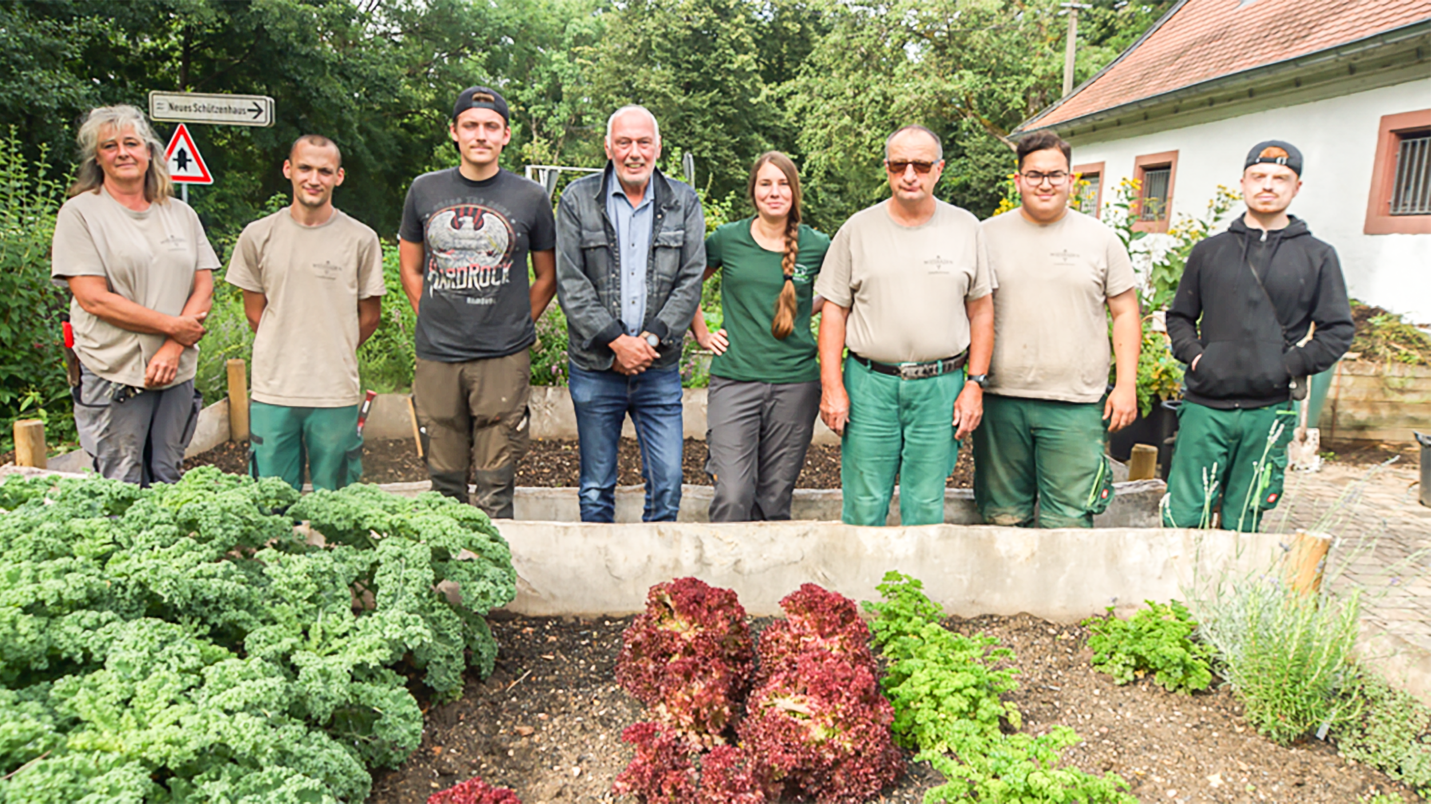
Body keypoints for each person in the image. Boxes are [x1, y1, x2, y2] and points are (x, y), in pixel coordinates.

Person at [1162, 140, 1353, 531]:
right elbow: (1180, 317)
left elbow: (1338, 330)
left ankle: (1225, 592)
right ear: (1243, 183)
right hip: (1204, 408)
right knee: (1184, 516)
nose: (1268, 185)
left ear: (1296, 187)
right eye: (1259, 176)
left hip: (1267, 411)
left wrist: (1288, 365)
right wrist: (1197, 356)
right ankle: (1174, 594)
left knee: (1245, 518)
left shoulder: (1317, 256)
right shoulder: (1209, 252)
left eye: (1281, 178)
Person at [815, 125, 994, 526]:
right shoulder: (856, 230)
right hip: (869, 385)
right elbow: (833, 312)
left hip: (940, 386)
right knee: (864, 502)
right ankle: (860, 587)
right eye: (899, 165)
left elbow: (981, 310)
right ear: (887, 169)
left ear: (939, 169)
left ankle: (917, 588)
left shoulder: (966, 228)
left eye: (921, 165)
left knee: (926, 503)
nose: (909, 174)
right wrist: (832, 386)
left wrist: (975, 384)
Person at [399, 86, 557, 519]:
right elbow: (410, 268)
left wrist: (516, 321)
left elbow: (548, 275)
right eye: (471, 125)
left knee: (497, 476)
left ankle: (497, 563)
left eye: (491, 127)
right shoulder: (424, 191)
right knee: (443, 473)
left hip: (503, 355)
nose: (481, 135)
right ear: (454, 132)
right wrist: (431, 315)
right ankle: (446, 568)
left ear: (506, 135)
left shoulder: (530, 197)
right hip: (438, 353)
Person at [974, 130, 1140, 528]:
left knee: (1068, 521)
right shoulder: (985, 236)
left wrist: (1126, 384)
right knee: (1002, 517)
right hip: (1000, 399)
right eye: (1034, 175)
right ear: (1018, 180)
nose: (1045, 183)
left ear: (1071, 179)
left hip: (1076, 403)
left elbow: (1126, 313)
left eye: (1055, 174)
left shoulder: (1100, 239)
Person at [554, 105, 705, 523]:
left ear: (658, 147)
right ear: (608, 147)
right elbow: (570, 281)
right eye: (624, 142)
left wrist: (649, 341)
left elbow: (691, 279)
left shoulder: (683, 201)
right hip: (595, 366)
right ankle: (595, 584)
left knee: (668, 481)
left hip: (658, 368)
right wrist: (617, 342)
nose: (633, 152)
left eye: (643, 142)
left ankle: (657, 584)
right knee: (596, 485)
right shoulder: (577, 200)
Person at [51, 105, 216, 485]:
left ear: (148, 152)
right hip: (114, 369)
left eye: (131, 143)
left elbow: (203, 285)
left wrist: (173, 344)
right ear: (98, 157)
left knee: (167, 474)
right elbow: (93, 298)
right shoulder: (80, 214)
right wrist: (173, 326)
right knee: (121, 480)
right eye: (110, 146)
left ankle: (162, 547)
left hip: (175, 369)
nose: (122, 152)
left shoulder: (180, 213)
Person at [226, 135, 385, 491]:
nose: (314, 179)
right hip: (274, 391)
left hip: (335, 392)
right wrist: (289, 345)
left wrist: (331, 347)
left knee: (339, 504)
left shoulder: (361, 239)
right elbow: (255, 312)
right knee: (271, 503)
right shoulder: (258, 235)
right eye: (305, 168)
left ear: (338, 177)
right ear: (288, 170)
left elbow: (370, 316)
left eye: (324, 171)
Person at [690, 152, 830, 521]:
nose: (774, 192)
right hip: (735, 379)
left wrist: (801, 312)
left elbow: (839, 296)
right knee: (734, 492)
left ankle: (767, 579)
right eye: (765, 183)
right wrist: (702, 334)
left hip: (795, 383)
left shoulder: (817, 245)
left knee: (774, 498)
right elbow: (686, 285)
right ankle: (722, 577)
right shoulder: (727, 239)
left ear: (794, 191)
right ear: (753, 191)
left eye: (783, 184)